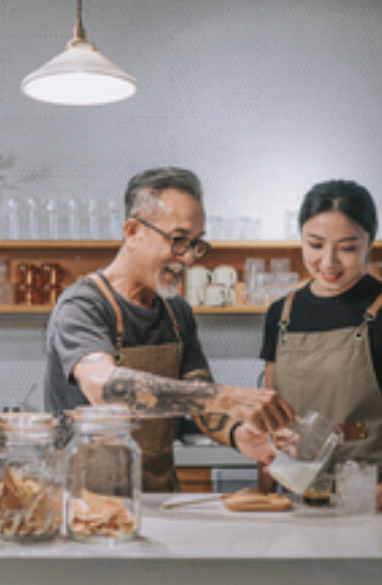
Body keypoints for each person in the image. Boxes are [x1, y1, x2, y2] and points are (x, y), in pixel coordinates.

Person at [44, 167, 295, 492]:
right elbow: (103, 387)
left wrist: (239, 434)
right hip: (84, 505)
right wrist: (230, 396)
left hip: (158, 498)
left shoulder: (176, 312)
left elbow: (201, 400)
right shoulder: (83, 305)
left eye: (196, 244)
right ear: (133, 231)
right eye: (178, 241)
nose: (189, 259)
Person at [259, 179, 382, 511]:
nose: (328, 262)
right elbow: (272, 416)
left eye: (347, 247)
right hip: (291, 491)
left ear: (370, 242)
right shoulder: (280, 314)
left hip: (368, 490)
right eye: (315, 244)